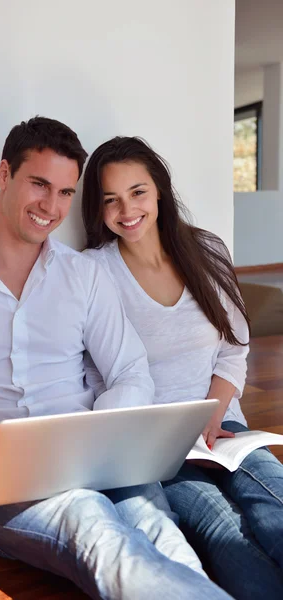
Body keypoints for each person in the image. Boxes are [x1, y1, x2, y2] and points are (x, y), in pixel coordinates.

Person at [0, 117, 233, 600]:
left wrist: (98, 434)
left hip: (96, 461)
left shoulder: (83, 276)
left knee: (163, 535)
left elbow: (130, 370)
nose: (51, 207)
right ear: (5, 175)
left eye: (66, 193)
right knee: (96, 532)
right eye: (39, 185)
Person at [81, 135, 283, 600]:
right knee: (221, 527)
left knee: (273, 500)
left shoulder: (207, 250)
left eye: (137, 192)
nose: (126, 209)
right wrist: (160, 432)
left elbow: (235, 348)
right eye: (110, 199)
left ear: (159, 192)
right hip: (155, 443)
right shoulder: (93, 272)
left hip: (222, 423)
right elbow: (93, 373)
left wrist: (212, 412)